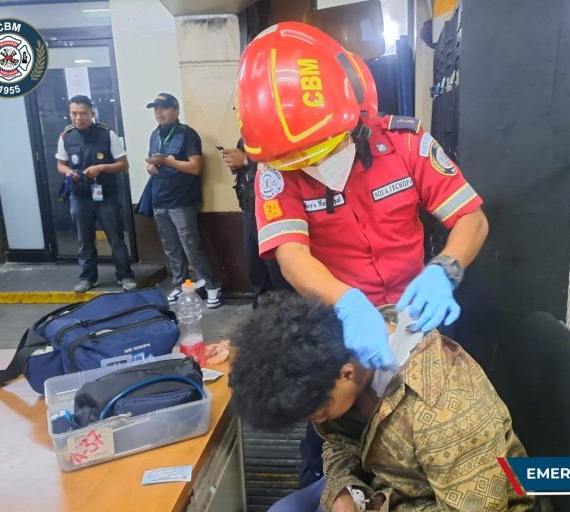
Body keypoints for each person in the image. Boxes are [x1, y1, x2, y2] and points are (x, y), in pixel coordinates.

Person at [236, 22, 489, 371]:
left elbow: (470, 218)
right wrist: (349, 305)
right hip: (343, 319)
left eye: (322, 150)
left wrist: (444, 270)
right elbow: (292, 257)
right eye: (299, 160)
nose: (314, 165)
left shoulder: (406, 143)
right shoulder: (276, 172)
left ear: (357, 117)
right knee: (341, 418)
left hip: (419, 307)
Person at [228, 293, 534, 512]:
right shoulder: (335, 362)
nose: (318, 421)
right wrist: (342, 489)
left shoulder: (445, 410)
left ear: (346, 374)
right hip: (384, 487)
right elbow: (338, 442)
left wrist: (378, 505)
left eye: (317, 413)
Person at [140, 93, 222, 308]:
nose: (159, 112)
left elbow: (195, 167)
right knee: (171, 247)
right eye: (155, 108)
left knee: (191, 245)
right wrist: (152, 166)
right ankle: (179, 284)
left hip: (182, 200)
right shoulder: (154, 135)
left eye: (164, 108)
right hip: (160, 198)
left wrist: (167, 160)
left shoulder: (187, 134)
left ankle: (212, 286)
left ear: (175, 110)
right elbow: (153, 166)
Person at [56, 95, 136, 293]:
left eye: (83, 113)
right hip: (79, 195)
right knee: (84, 238)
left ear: (92, 113)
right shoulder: (66, 136)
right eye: (74, 113)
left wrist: (102, 167)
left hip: (105, 194)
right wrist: (69, 173)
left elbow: (123, 164)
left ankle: (125, 276)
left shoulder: (107, 134)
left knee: (115, 237)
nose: (78, 117)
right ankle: (88, 278)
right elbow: (61, 164)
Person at [222, 140, 289, 308]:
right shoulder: (244, 137)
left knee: (279, 274)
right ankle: (261, 319)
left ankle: (287, 320)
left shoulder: (279, 129)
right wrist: (234, 162)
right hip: (250, 212)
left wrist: (246, 160)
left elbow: (285, 163)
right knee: (256, 270)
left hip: (275, 212)